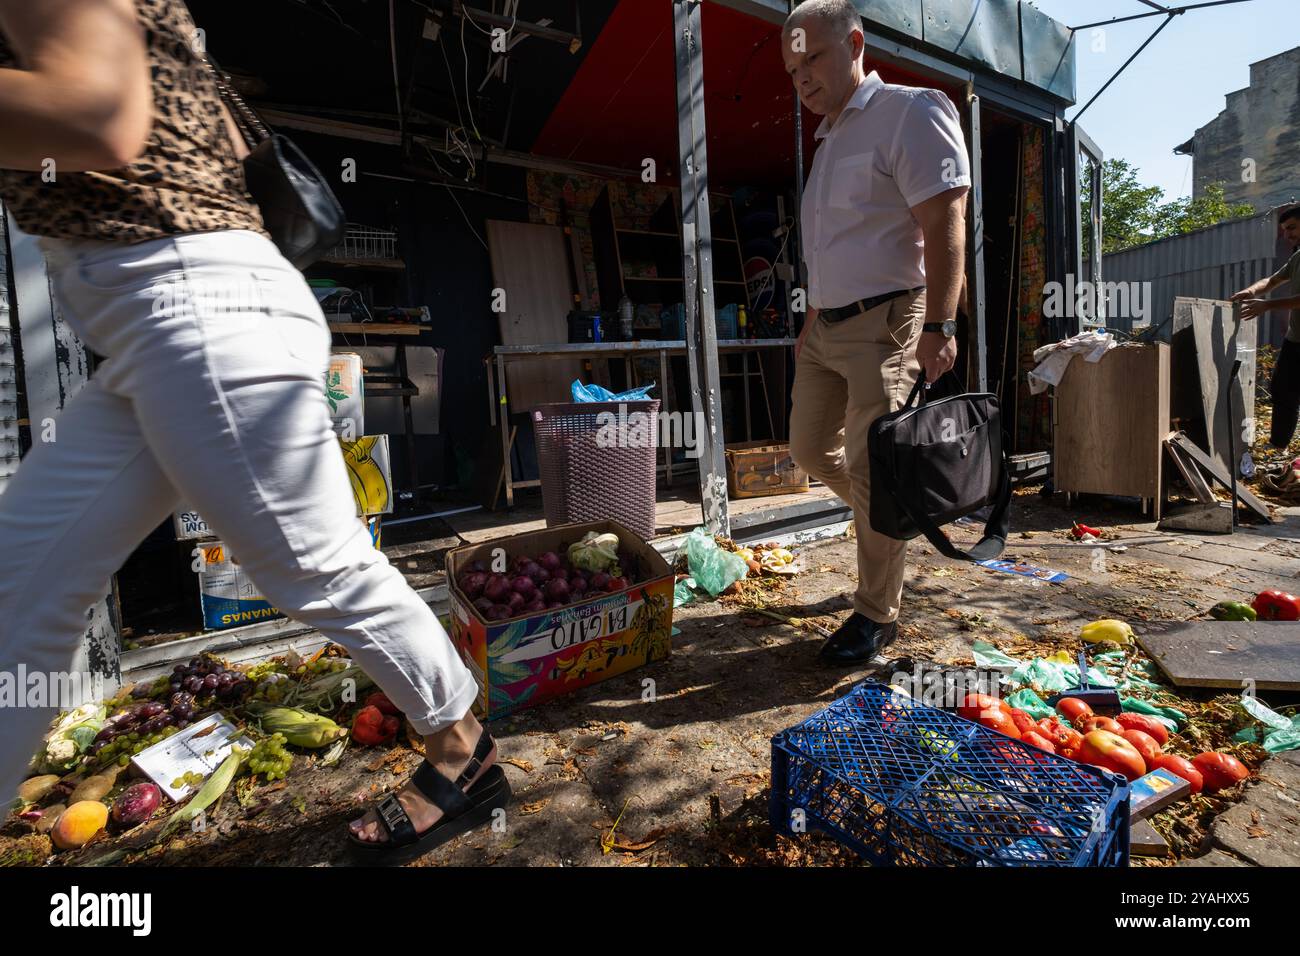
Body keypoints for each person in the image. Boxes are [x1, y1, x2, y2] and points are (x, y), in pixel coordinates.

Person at [0, 0, 506, 862]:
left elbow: (99, 117)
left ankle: (465, 753)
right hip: (154, 319)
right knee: (19, 590)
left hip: (191, 306)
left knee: (316, 566)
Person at [781, 0, 970, 665]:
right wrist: (809, 321)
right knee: (809, 452)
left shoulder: (912, 111)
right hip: (826, 328)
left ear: (855, 42)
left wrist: (942, 324)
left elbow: (946, 227)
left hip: (890, 321)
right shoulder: (828, 140)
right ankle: (890, 513)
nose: (802, 77)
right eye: (792, 67)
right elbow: (830, 247)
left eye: (814, 59)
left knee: (871, 465)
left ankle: (874, 614)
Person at [1232, 204, 1300, 451]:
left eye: (1291, 227)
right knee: (1282, 389)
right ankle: (1278, 445)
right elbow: (1271, 281)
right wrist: (1251, 291)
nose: (1287, 234)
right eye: (1284, 230)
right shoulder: (1297, 258)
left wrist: (1267, 305)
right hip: (1295, 339)